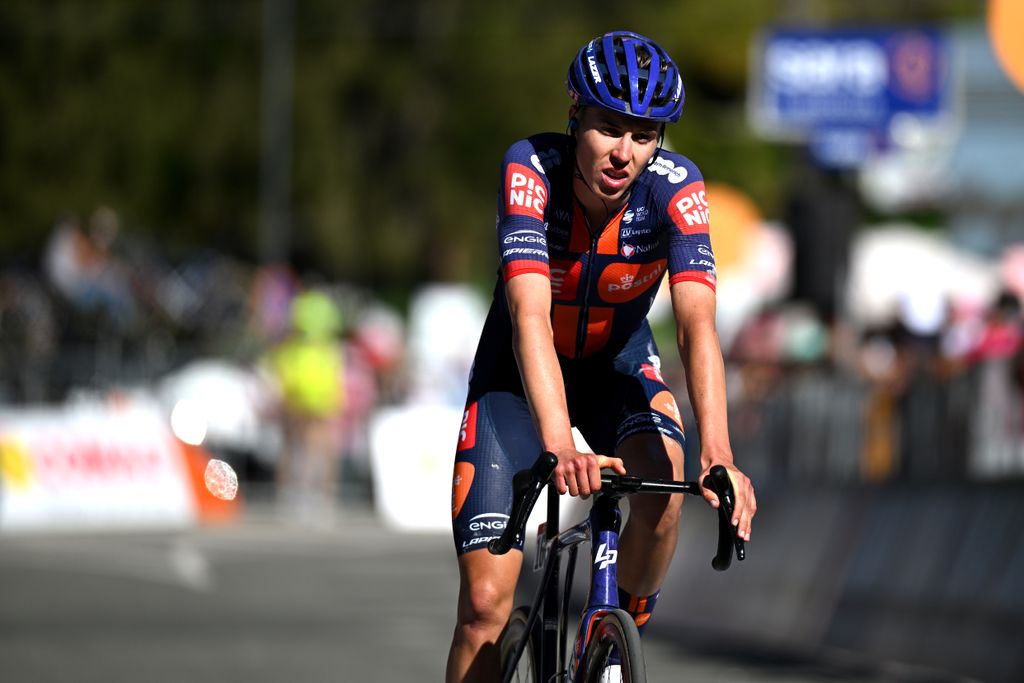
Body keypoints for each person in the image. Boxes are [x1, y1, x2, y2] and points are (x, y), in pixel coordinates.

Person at [446, 31, 757, 681]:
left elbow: (697, 326)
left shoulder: (676, 188)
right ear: (574, 116)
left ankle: (615, 643)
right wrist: (560, 442)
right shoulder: (531, 168)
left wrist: (720, 454)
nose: (624, 153)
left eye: (643, 136)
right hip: (518, 377)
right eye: (608, 129)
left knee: (665, 489)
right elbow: (529, 316)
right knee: (483, 606)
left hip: (616, 366)